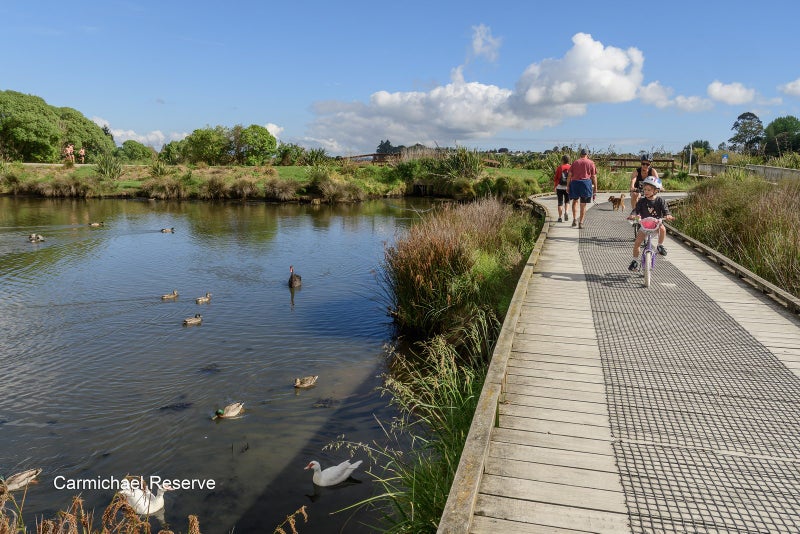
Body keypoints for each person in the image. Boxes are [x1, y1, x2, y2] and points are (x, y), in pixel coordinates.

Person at [626, 175, 674, 271]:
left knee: (662, 228)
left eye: (649, 190)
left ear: (656, 191)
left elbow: (666, 211)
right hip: (644, 226)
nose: (646, 192)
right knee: (637, 243)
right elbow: (636, 210)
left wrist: (667, 215)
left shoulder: (660, 201)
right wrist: (633, 216)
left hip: (656, 225)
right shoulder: (641, 201)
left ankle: (660, 245)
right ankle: (635, 261)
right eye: (645, 189)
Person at [567, 148, 598, 229]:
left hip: (575, 183)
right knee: (583, 204)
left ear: (580, 154)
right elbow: (594, 176)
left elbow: (569, 175)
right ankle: (581, 222)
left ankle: (574, 219)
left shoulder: (575, 162)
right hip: (585, 183)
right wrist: (595, 187)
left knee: (575, 201)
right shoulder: (591, 162)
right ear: (587, 154)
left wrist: (568, 186)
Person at [553, 155, 571, 222]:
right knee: (567, 201)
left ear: (562, 160)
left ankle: (560, 217)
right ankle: (566, 212)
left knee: (560, 202)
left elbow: (556, 178)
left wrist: (555, 187)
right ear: (569, 160)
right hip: (568, 187)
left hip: (559, 187)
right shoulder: (570, 167)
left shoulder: (559, 168)